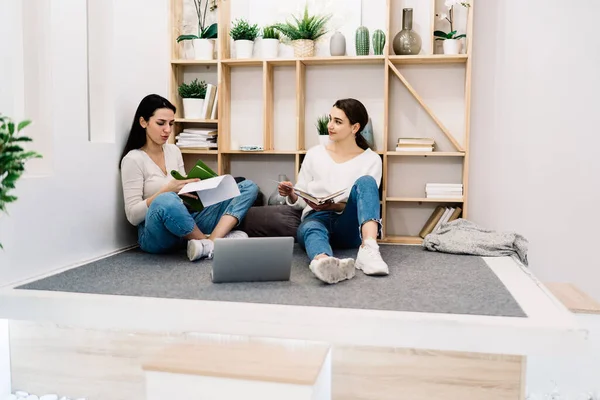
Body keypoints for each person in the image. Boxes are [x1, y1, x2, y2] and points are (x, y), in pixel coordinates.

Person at [119, 94, 258, 261]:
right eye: (161, 123)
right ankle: (211, 243)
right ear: (143, 122)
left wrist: (197, 189)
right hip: (155, 234)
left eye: (171, 124)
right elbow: (133, 216)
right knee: (167, 199)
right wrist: (165, 191)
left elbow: (182, 197)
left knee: (248, 186)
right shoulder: (133, 159)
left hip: (185, 223)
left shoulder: (174, 151)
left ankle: (210, 242)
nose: (168, 130)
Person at [278, 98, 389, 285]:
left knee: (366, 182)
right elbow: (300, 200)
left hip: (349, 223)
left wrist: (334, 205)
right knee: (310, 228)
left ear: (355, 128)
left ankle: (369, 249)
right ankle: (323, 262)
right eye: (330, 119)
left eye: (338, 122)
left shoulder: (371, 160)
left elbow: (365, 200)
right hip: (317, 217)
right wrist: (290, 193)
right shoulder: (314, 154)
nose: (330, 126)